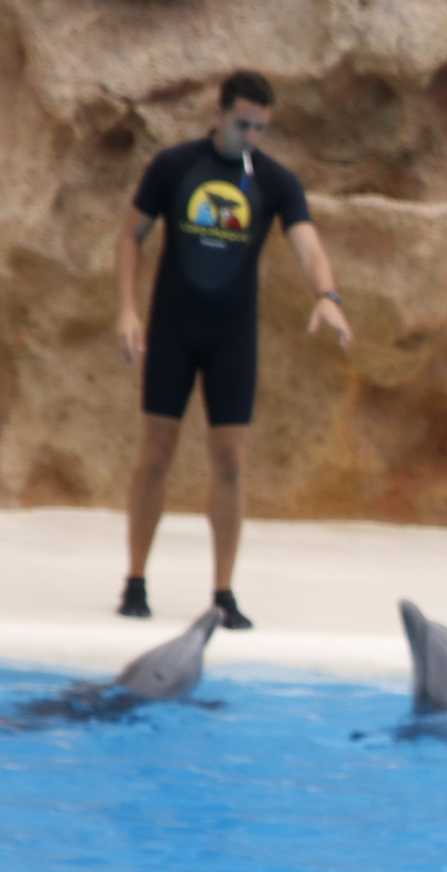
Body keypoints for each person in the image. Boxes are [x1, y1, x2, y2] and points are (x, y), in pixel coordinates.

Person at [114, 70, 351, 628]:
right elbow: (131, 236)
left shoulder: (274, 181)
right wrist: (126, 309)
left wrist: (327, 295)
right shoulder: (174, 167)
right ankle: (136, 580)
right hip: (172, 330)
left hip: (232, 338)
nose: (251, 136)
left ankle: (222, 593)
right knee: (156, 453)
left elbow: (307, 243)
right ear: (218, 115)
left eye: (260, 128)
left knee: (230, 461)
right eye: (243, 124)